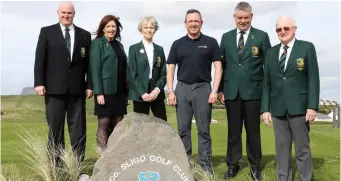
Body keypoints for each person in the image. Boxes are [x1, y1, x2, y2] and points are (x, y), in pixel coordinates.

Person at [261, 16, 319, 181]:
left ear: (294, 29)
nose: (283, 32)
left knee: (302, 149)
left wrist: (312, 106)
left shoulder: (306, 48)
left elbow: (313, 79)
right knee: (281, 149)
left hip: (300, 108)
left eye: (286, 28)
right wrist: (265, 108)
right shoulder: (271, 52)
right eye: (279, 29)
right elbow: (266, 83)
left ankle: (305, 178)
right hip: (278, 109)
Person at [34, 1, 93, 163]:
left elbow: (89, 63)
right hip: (54, 90)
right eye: (63, 13)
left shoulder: (85, 35)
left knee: (79, 131)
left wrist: (90, 86)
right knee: (55, 131)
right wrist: (39, 83)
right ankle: (55, 167)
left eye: (69, 13)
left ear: (74, 14)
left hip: (77, 90)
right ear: (58, 13)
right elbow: (40, 59)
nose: (66, 16)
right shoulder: (47, 32)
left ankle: (77, 166)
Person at [218, 2, 271, 180]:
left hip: (253, 93)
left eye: (245, 18)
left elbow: (268, 67)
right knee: (233, 132)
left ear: (251, 17)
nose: (242, 21)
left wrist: (267, 93)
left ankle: (255, 167)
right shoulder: (225, 37)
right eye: (239, 18)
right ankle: (232, 165)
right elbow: (221, 66)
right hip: (232, 92)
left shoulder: (262, 37)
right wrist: (219, 89)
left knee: (253, 132)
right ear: (234, 18)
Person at [166, 9, 222, 174]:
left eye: (196, 21)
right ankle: (185, 165)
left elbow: (218, 67)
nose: (193, 24)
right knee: (183, 129)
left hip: (203, 89)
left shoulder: (211, 42)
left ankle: (205, 167)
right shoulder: (177, 44)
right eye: (190, 21)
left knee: (204, 130)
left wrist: (215, 90)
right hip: (182, 88)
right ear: (185, 24)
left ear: (201, 23)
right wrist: (170, 91)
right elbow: (170, 68)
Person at [90, 15, 129, 150]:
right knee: (104, 124)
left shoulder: (119, 45)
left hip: (120, 91)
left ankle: (114, 156)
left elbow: (124, 69)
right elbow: (95, 69)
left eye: (114, 26)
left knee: (118, 125)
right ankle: (103, 157)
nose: (111, 29)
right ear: (103, 28)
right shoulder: (97, 43)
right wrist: (99, 92)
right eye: (108, 26)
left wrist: (127, 93)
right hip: (105, 91)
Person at [128, 16, 167, 121]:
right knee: (140, 126)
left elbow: (163, 73)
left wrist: (157, 90)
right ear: (141, 30)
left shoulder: (160, 50)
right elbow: (132, 73)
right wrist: (143, 93)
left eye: (152, 27)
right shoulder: (133, 49)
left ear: (155, 30)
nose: (149, 30)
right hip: (140, 95)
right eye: (146, 27)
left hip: (156, 94)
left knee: (162, 124)